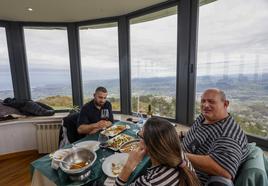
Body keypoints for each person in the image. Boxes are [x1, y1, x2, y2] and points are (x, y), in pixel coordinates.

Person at [182, 88, 249, 186]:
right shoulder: (205, 117)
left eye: (211, 102)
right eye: (203, 101)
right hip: (180, 165)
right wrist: (182, 135)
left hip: (189, 179)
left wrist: (179, 155)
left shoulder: (228, 134)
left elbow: (224, 170)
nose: (205, 105)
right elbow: (199, 134)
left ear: (225, 104)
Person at [116, 117, 201, 186]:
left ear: (151, 147)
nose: (139, 140)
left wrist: (128, 165)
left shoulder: (149, 182)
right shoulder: (180, 155)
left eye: (141, 137)